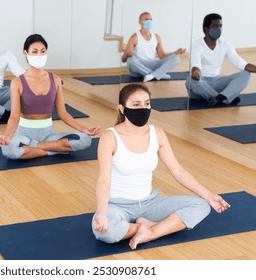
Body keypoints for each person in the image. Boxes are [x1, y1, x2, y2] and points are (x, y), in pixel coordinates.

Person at [92, 83, 230, 250]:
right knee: (104, 232)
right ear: (122, 108)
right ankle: (142, 227)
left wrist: (209, 195)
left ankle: (151, 231)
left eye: (146, 103)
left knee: (201, 206)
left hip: (149, 203)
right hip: (118, 205)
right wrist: (101, 212)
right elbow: (104, 181)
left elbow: (178, 171)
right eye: (136, 105)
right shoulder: (110, 137)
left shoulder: (157, 134)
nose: (143, 108)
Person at [0, 34, 100, 160]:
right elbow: (14, 116)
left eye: (42, 51)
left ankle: (35, 148)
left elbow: (63, 113)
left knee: (85, 140)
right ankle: (55, 149)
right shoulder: (17, 82)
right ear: (25, 53)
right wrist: (7, 136)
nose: (39, 55)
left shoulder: (55, 79)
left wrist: (84, 129)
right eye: (34, 52)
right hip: (24, 134)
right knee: (9, 150)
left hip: (48, 134)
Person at [186, 13, 256, 107]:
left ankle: (218, 99)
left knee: (246, 74)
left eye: (220, 26)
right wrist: (196, 73)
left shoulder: (226, 45)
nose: (219, 29)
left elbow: (242, 64)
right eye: (215, 26)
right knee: (190, 80)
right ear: (206, 28)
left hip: (218, 81)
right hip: (201, 83)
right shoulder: (196, 46)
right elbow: (196, 65)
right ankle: (225, 97)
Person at [121, 12, 186, 82]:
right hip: (139, 68)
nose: (149, 21)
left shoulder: (157, 37)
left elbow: (162, 55)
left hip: (152, 64)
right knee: (130, 60)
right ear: (140, 22)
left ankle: (151, 75)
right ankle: (158, 75)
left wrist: (175, 52)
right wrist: (127, 55)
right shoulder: (134, 37)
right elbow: (123, 60)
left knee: (176, 58)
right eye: (146, 19)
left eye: (150, 19)